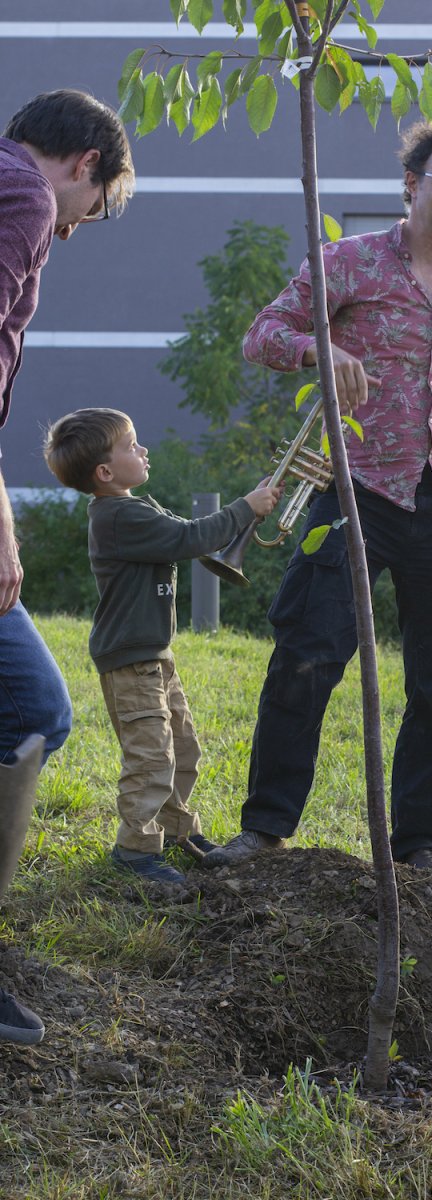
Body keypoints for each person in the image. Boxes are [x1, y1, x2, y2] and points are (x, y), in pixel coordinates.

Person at [205, 116, 432, 871]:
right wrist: (318, 348)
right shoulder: (348, 264)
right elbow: (262, 335)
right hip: (355, 491)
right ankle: (265, 830)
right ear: (412, 184)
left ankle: (419, 843)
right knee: (306, 654)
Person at [0, 89, 134, 1043]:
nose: (81, 229)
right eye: (101, 202)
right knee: (32, 709)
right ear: (86, 163)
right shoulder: (27, 197)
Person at [44, 408, 282, 884]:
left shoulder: (136, 506)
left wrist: (250, 503)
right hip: (131, 660)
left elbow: (190, 532)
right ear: (105, 472)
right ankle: (134, 851)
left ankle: (177, 831)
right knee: (151, 757)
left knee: (182, 748)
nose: (143, 449)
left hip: (155, 655)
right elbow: (190, 538)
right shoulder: (116, 516)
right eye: (132, 446)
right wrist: (245, 507)